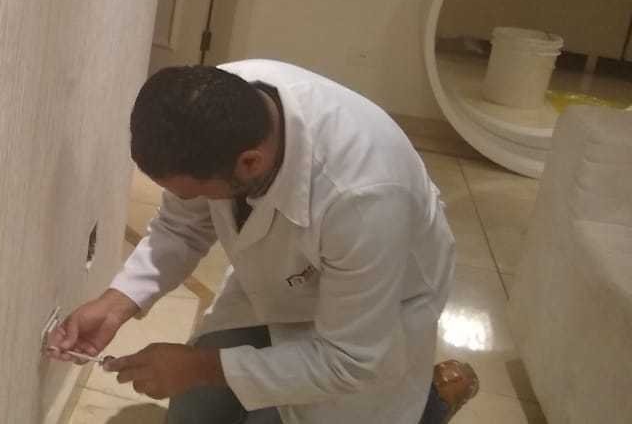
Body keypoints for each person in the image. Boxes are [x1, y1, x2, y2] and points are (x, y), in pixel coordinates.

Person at [46, 60, 478, 423]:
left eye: (195, 194)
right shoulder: (213, 109)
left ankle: (436, 399)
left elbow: (349, 360)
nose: (188, 202)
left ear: (250, 163)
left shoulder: (365, 197)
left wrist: (200, 365)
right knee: (194, 415)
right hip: (283, 279)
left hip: (377, 307)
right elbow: (181, 228)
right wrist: (117, 303)